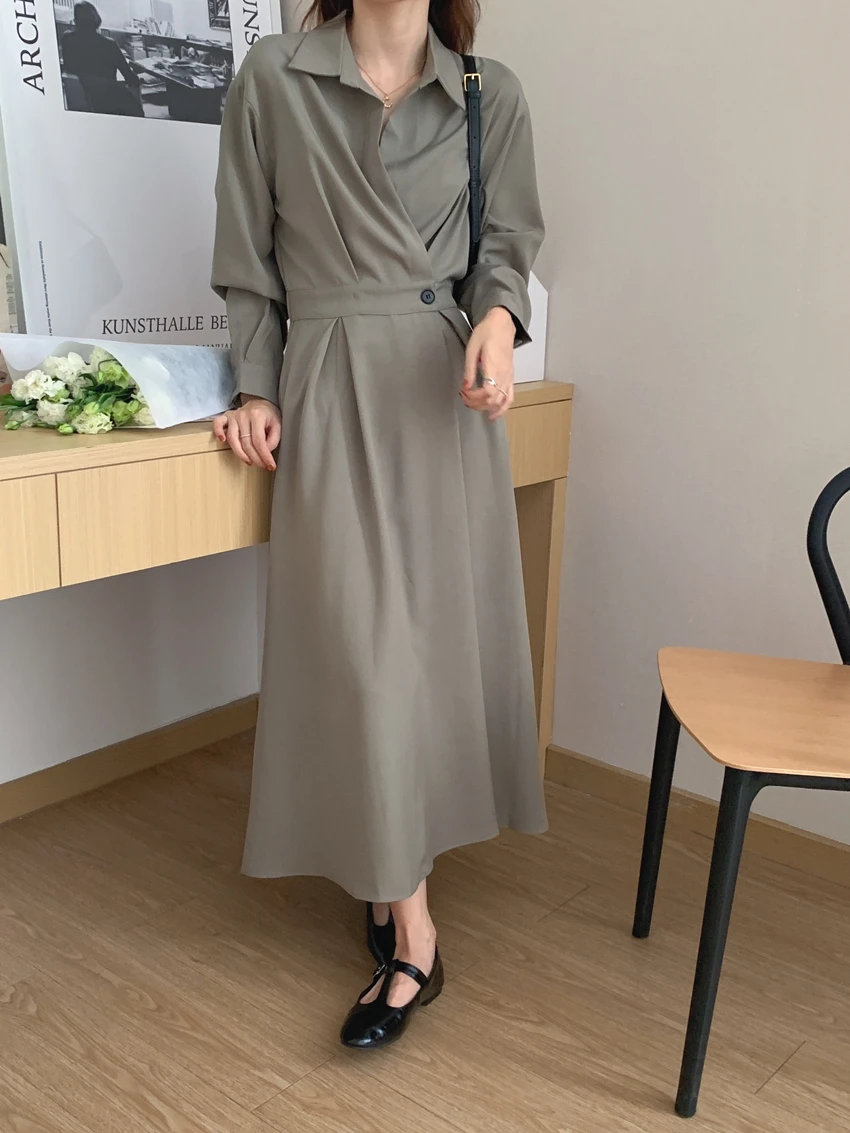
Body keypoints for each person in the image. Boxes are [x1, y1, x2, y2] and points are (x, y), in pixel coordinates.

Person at [211, 0, 547, 1049]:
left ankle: (394, 880)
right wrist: (256, 384)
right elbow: (247, 252)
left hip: (441, 395)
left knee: (426, 655)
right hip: (324, 381)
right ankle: (415, 932)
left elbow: (507, 245)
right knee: (362, 653)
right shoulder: (273, 77)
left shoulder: (488, 93)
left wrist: (497, 321)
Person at [62, 2, 143, 117]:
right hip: (111, 101)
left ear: (76, 20)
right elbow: (129, 77)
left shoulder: (67, 39)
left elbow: (68, 67)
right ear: (96, 19)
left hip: (83, 97)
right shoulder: (110, 44)